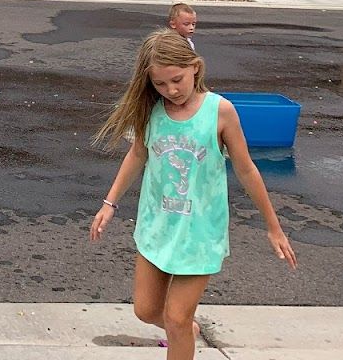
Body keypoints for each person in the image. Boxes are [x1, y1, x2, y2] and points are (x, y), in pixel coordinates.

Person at [90, 30, 296, 359]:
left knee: (175, 317)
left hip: (200, 233)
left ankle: (181, 327)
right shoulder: (152, 111)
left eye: (177, 79)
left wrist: (273, 226)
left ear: (195, 67)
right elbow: (136, 155)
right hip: (157, 226)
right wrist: (109, 203)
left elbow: (246, 170)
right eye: (161, 84)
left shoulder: (220, 111)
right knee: (145, 310)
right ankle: (187, 328)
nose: (171, 90)